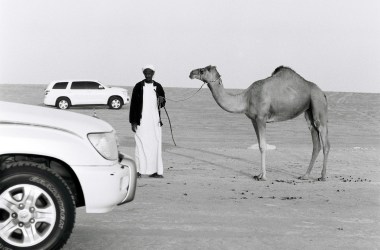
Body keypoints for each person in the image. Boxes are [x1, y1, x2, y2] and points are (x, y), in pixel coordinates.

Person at [129, 65, 166, 178]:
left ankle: (156, 171)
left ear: (153, 73)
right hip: (141, 121)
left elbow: (163, 103)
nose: (148, 75)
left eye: (150, 73)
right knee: (140, 145)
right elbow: (134, 105)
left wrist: (161, 99)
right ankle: (139, 171)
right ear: (144, 74)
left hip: (154, 122)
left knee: (156, 145)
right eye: (146, 73)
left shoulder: (158, 86)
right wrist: (133, 121)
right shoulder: (138, 86)